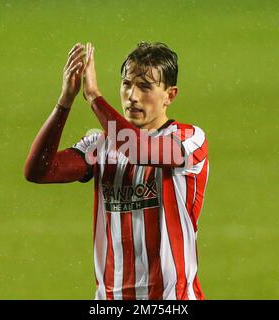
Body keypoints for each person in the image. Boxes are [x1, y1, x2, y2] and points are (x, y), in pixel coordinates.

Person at [24, 42, 209, 300]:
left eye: (145, 87)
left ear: (170, 95)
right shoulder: (100, 145)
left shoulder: (188, 140)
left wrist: (93, 97)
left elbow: (139, 151)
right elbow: (39, 171)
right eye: (126, 84)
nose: (132, 95)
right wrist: (65, 101)